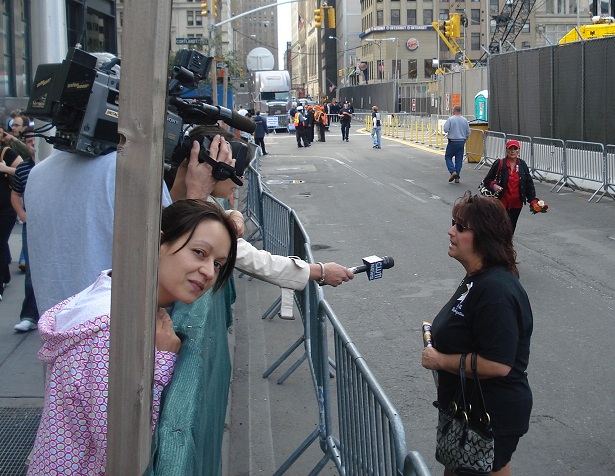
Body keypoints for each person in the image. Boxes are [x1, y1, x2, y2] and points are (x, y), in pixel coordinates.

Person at [26, 199, 238, 476]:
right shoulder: (114, 333)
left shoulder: (114, 295)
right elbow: (123, 447)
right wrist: (163, 362)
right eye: (199, 253)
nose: (209, 272)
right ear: (156, 242)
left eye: (218, 264)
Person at [422, 191, 533, 476]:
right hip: (468, 407)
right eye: (453, 223)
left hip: (489, 414)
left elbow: (497, 364)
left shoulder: (496, 290)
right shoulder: (477, 277)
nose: (451, 231)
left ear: (484, 238)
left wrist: (439, 360)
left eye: (461, 227)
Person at [10, 128, 40, 331]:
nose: (33, 145)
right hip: (32, 224)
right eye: (29, 142)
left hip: (50, 223)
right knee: (31, 270)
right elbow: (16, 194)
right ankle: (29, 315)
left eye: (35, 141)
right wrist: (23, 215)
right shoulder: (23, 169)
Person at [481, 139, 539, 233]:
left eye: (515, 149)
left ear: (519, 151)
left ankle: (507, 242)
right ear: (506, 150)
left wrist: (533, 200)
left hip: (516, 204)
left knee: (511, 227)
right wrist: (494, 186)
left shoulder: (522, 165)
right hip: (501, 202)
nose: (512, 151)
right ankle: (498, 242)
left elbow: (528, 183)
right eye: (510, 149)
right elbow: (487, 180)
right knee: (499, 227)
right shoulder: (500, 163)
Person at [0, 128, 23, 301]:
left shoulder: (6, 152)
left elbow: (23, 170)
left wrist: (5, 168)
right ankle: (5, 275)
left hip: (6, 207)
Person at [443, 105, 470, 184]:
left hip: (452, 141)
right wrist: (464, 140)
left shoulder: (450, 119)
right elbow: (468, 132)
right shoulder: (465, 120)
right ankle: (457, 177)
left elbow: (445, 129)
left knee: (448, 157)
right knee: (459, 160)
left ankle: (453, 171)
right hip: (461, 142)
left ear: (454, 110)